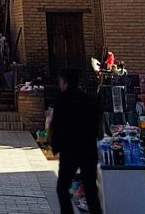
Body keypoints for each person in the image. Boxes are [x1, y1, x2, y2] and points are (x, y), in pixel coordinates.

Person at [50, 69, 101, 214]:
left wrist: (56, 146)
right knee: (90, 188)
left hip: (70, 150)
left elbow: (57, 126)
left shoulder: (62, 101)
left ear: (65, 82)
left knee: (62, 187)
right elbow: (96, 123)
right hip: (88, 149)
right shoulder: (87, 100)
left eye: (61, 81)